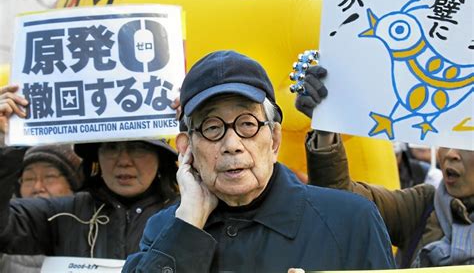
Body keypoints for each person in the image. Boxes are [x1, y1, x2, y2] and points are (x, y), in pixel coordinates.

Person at [123, 50, 395, 272]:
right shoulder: (165, 229)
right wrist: (187, 226)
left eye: (247, 124)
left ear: (274, 139)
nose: (232, 145)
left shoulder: (351, 220)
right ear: (186, 148)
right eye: (212, 128)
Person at [295, 65, 474, 267]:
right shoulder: (423, 205)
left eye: (467, 145)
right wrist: (326, 129)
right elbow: (343, 201)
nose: (451, 154)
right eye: (447, 141)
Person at [0, 84, 180, 260]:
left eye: (138, 148)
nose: (124, 161)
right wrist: (6, 141)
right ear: (97, 158)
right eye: (111, 147)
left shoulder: (189, 214)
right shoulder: (62, 215)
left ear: (160, 158)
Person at [0, 144, 82, 273]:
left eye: (49, 177)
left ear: (72, 184)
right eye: (29, 178)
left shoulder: (93, 230)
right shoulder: (7, 232)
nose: (37, 187)